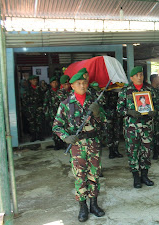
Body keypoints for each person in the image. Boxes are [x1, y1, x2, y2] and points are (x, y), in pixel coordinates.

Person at [52, 69, 106, 222]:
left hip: (93, 144)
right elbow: (56, 126)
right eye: (79, 83)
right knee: (80, 176)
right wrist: (66, 137)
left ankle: (94, 204)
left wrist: (98, 114)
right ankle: (83, 207)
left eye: (84, 83)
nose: (82, 86)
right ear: (72, 86)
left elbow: (105, 121)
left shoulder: (94, 101)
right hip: (77, 146)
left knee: (94, 174)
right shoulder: (66, 104)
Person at [117, 66, 156, 188]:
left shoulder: (149, 90)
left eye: (141, 75)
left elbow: (157, 105)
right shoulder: (126, 91)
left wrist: (154, 112)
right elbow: (119, 109)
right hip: (132, 128)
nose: (140, 77)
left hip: (147, 126)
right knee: (133, 151)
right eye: (137, 75)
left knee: (146, 151)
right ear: (132, 77)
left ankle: (145, 175)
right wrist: (129, 112)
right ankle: (136, 177)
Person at [44, 76, 63, 150]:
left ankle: (62, 143)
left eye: (56, 82)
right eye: (53, 82)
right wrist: (46, 114)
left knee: (62, 128)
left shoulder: (60, 91)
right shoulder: (48, 93)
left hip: (61, 113)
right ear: (50, 84)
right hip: (52, 113)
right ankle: (56, 144)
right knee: (55, 129)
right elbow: (45, 104)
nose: (54, 84)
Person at [24, 75, 45, 142]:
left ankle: (39, 136)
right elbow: (24, 100)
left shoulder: (40, 89)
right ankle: (33, 136)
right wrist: (26, 109)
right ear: (30, 81)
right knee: (32, 123)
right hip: (31, 109)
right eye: (33, 80)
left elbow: (43, 98)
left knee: (39, 122)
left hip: (39, 108)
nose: (35, 81)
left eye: (36, 80)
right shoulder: (27, 89)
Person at [104, 89, 123, 159]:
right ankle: (111, 151)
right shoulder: (105, 90)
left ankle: (116, 149)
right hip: (108, 114)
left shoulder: (119, 89)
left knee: (117, 132)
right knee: (109, 133)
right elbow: (103, 103)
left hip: (117, 113)